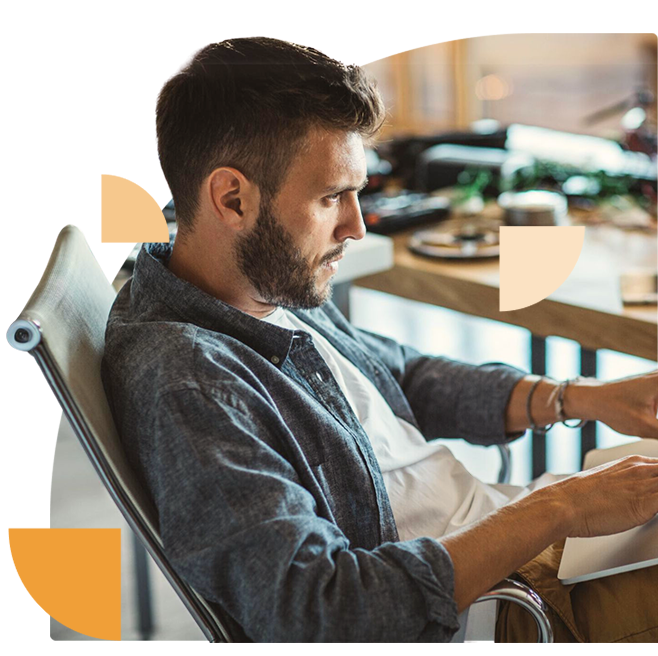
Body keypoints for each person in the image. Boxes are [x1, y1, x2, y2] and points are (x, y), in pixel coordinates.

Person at [101, 36, 658, 642]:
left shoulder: (258, 287)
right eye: (331, 196)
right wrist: (560, 508)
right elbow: (320, 611)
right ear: (232, 198)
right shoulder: (193, 385)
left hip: (513, 532)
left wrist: (580, 397)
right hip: (506, 604)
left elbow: (400, 377)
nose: (358, 225)